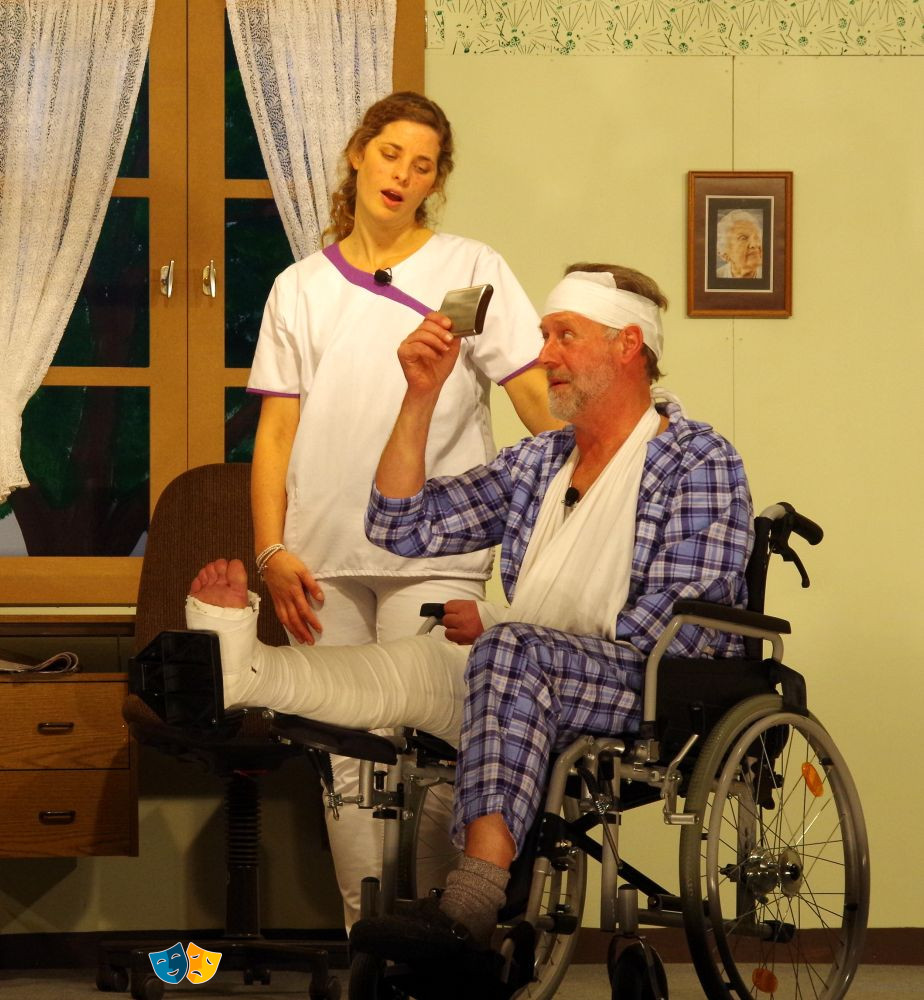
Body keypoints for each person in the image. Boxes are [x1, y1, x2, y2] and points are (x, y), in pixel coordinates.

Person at [188, 263, 752, 952]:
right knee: (419, 667)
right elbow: (401, 525)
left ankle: (473, 899)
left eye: (564, 336)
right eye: (544, 335)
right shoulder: (540, 463)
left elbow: (674, 628)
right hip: (534, 672)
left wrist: (508, 625)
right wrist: (419, 396)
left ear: (627, 344)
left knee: (507, 648)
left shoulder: (697, 460)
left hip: (653, 681)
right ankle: (247, 671)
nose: (545, 355)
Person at [246, 91, 558, 928]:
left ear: (435, 181)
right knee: (346, 766)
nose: (402, 176)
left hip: (436, 553)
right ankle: (370, 943)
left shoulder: (470, 269)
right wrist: (272, 552)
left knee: (435, 751)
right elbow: (275, 435)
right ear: (358, 154)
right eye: (390, 155)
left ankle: (440, 938)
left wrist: (603, 472)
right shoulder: (299, 287)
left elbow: (533, 396)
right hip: (320, 560)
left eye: (423, 166)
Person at [715, 208, 763, 279]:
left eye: (757, 237)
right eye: (743, 238)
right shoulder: (716, 276)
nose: (755, 244)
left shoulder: (772, 275)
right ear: (724, 255)